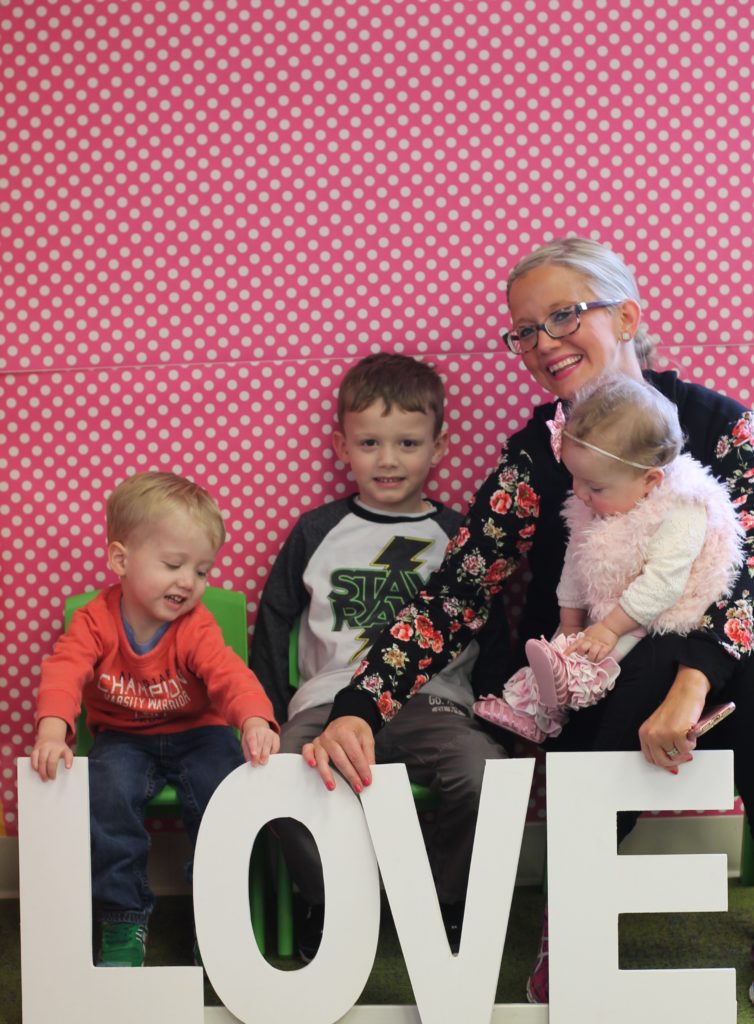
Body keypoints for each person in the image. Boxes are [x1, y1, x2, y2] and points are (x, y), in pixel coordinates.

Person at [303, 238, 754, 1003]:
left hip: (722, 672)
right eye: (524, 330)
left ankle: (574, 918)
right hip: (589, 683)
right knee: (625, 667)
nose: (543, 342)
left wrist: (692, 683)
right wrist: (359, 704)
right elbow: (457, 593)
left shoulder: (722, 427)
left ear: (627, 316)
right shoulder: (537, 457)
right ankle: (571, 925)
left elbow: (746, 574)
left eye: (564, 315)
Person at [250, 352, 509, 959]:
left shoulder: (459, 536)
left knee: (485, 774)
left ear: (439, 447)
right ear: (342, 446)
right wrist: (269, 711)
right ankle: (328, 898)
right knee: (277, 778)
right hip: (328, 702)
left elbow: (490, 626)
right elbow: (274, 619)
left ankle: (445, 902)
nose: (387, 460)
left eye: (407, 443)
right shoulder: (316, 531)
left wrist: (498, 715)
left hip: (431, 701)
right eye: (370, 443)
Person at [31, 471, 280, 968]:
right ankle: (122, 917)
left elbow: (230, 675)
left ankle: (219, 915)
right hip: (124, 737)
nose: (189, 581)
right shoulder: (94, 620)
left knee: (225, 793)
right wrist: (52, 730)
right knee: (106, 794)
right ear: (121, 560)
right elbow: (64, 670)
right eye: (173, 564)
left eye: (202, 571)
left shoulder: (195, 625)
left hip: (200, 732)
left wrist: (255, 719)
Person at [474, 375, 744, 744]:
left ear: (649, 480)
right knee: (564, 644)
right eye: (575, 478)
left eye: (595, 486)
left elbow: (663, 584)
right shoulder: (591, 506)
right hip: (611, 611)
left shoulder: (681, 508)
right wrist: (569, 622)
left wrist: (611, 628)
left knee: (622, 661)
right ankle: (535, 706)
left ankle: (571, 687)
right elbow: (576, 564)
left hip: (661, 615)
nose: (580, 493)